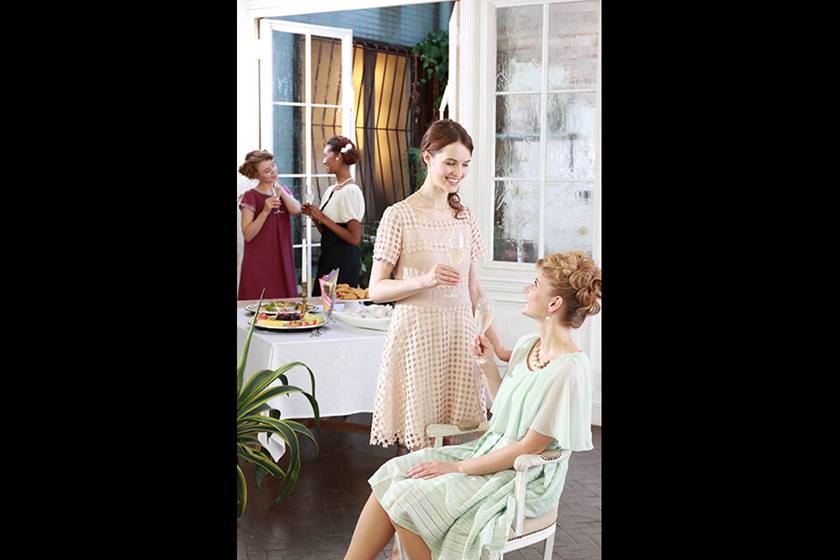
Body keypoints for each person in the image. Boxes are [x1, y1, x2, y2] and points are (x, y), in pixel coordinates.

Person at [345, 250, 602, 560]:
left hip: (522, 475)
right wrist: (487, 365)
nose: (526, 289)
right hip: (488, 451)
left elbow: (528, 448)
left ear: (554, 304)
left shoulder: (569, 369)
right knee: (393, 473)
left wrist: (455, 467)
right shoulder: (526, 346)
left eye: (535, 283)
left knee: (409, 502)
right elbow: (505, 413)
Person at [367, 119, 507, 453]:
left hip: (459, 335)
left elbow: (476, 292)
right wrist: (424, 280)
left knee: (456, 434)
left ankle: (443, 502)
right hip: (417, 335)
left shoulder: (465, 217)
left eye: (465, 165)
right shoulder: (398, 216)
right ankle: (414, 500)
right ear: (428, 157)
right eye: (450, 162)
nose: (458, 172)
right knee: (421, 439)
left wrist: (498, 347)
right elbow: (375, 290)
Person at [301, 136, 366, 296]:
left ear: (338, 156)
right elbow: (328, 232)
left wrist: (322, 217)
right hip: (329, 257)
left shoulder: (351, 191)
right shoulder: (331, 190)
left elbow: (354, 238)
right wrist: (314, 216)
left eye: (326, 155)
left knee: (337, 311)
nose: (324, 161)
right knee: (322, 308)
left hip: (343, 262)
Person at [237, 149, 302, 300]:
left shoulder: (282, 192)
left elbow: (296, 209)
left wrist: (280, 191)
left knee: (284, 309)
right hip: (259, 261)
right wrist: (265, 211)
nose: (273, 171)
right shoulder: (250, 196)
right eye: (267, 171)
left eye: (273, 165)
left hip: (282, 258)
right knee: (256, 307)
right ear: (256, 175)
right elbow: (248, 234)